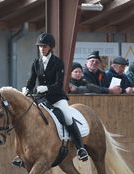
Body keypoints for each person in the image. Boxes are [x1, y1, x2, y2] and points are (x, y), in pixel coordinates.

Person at [17, 32, 88, 165]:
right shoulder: (36, 62)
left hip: (56, 98)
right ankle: (24, 153)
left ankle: (80, 148)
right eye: (40, 46)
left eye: (44, 46)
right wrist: (26, 88)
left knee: (67, 116)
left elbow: (58, 84)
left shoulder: (58, 62)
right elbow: (32, 81)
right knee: (28, 117)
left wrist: (47, 88)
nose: (42, 49)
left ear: (50, 47)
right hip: (40, 99)